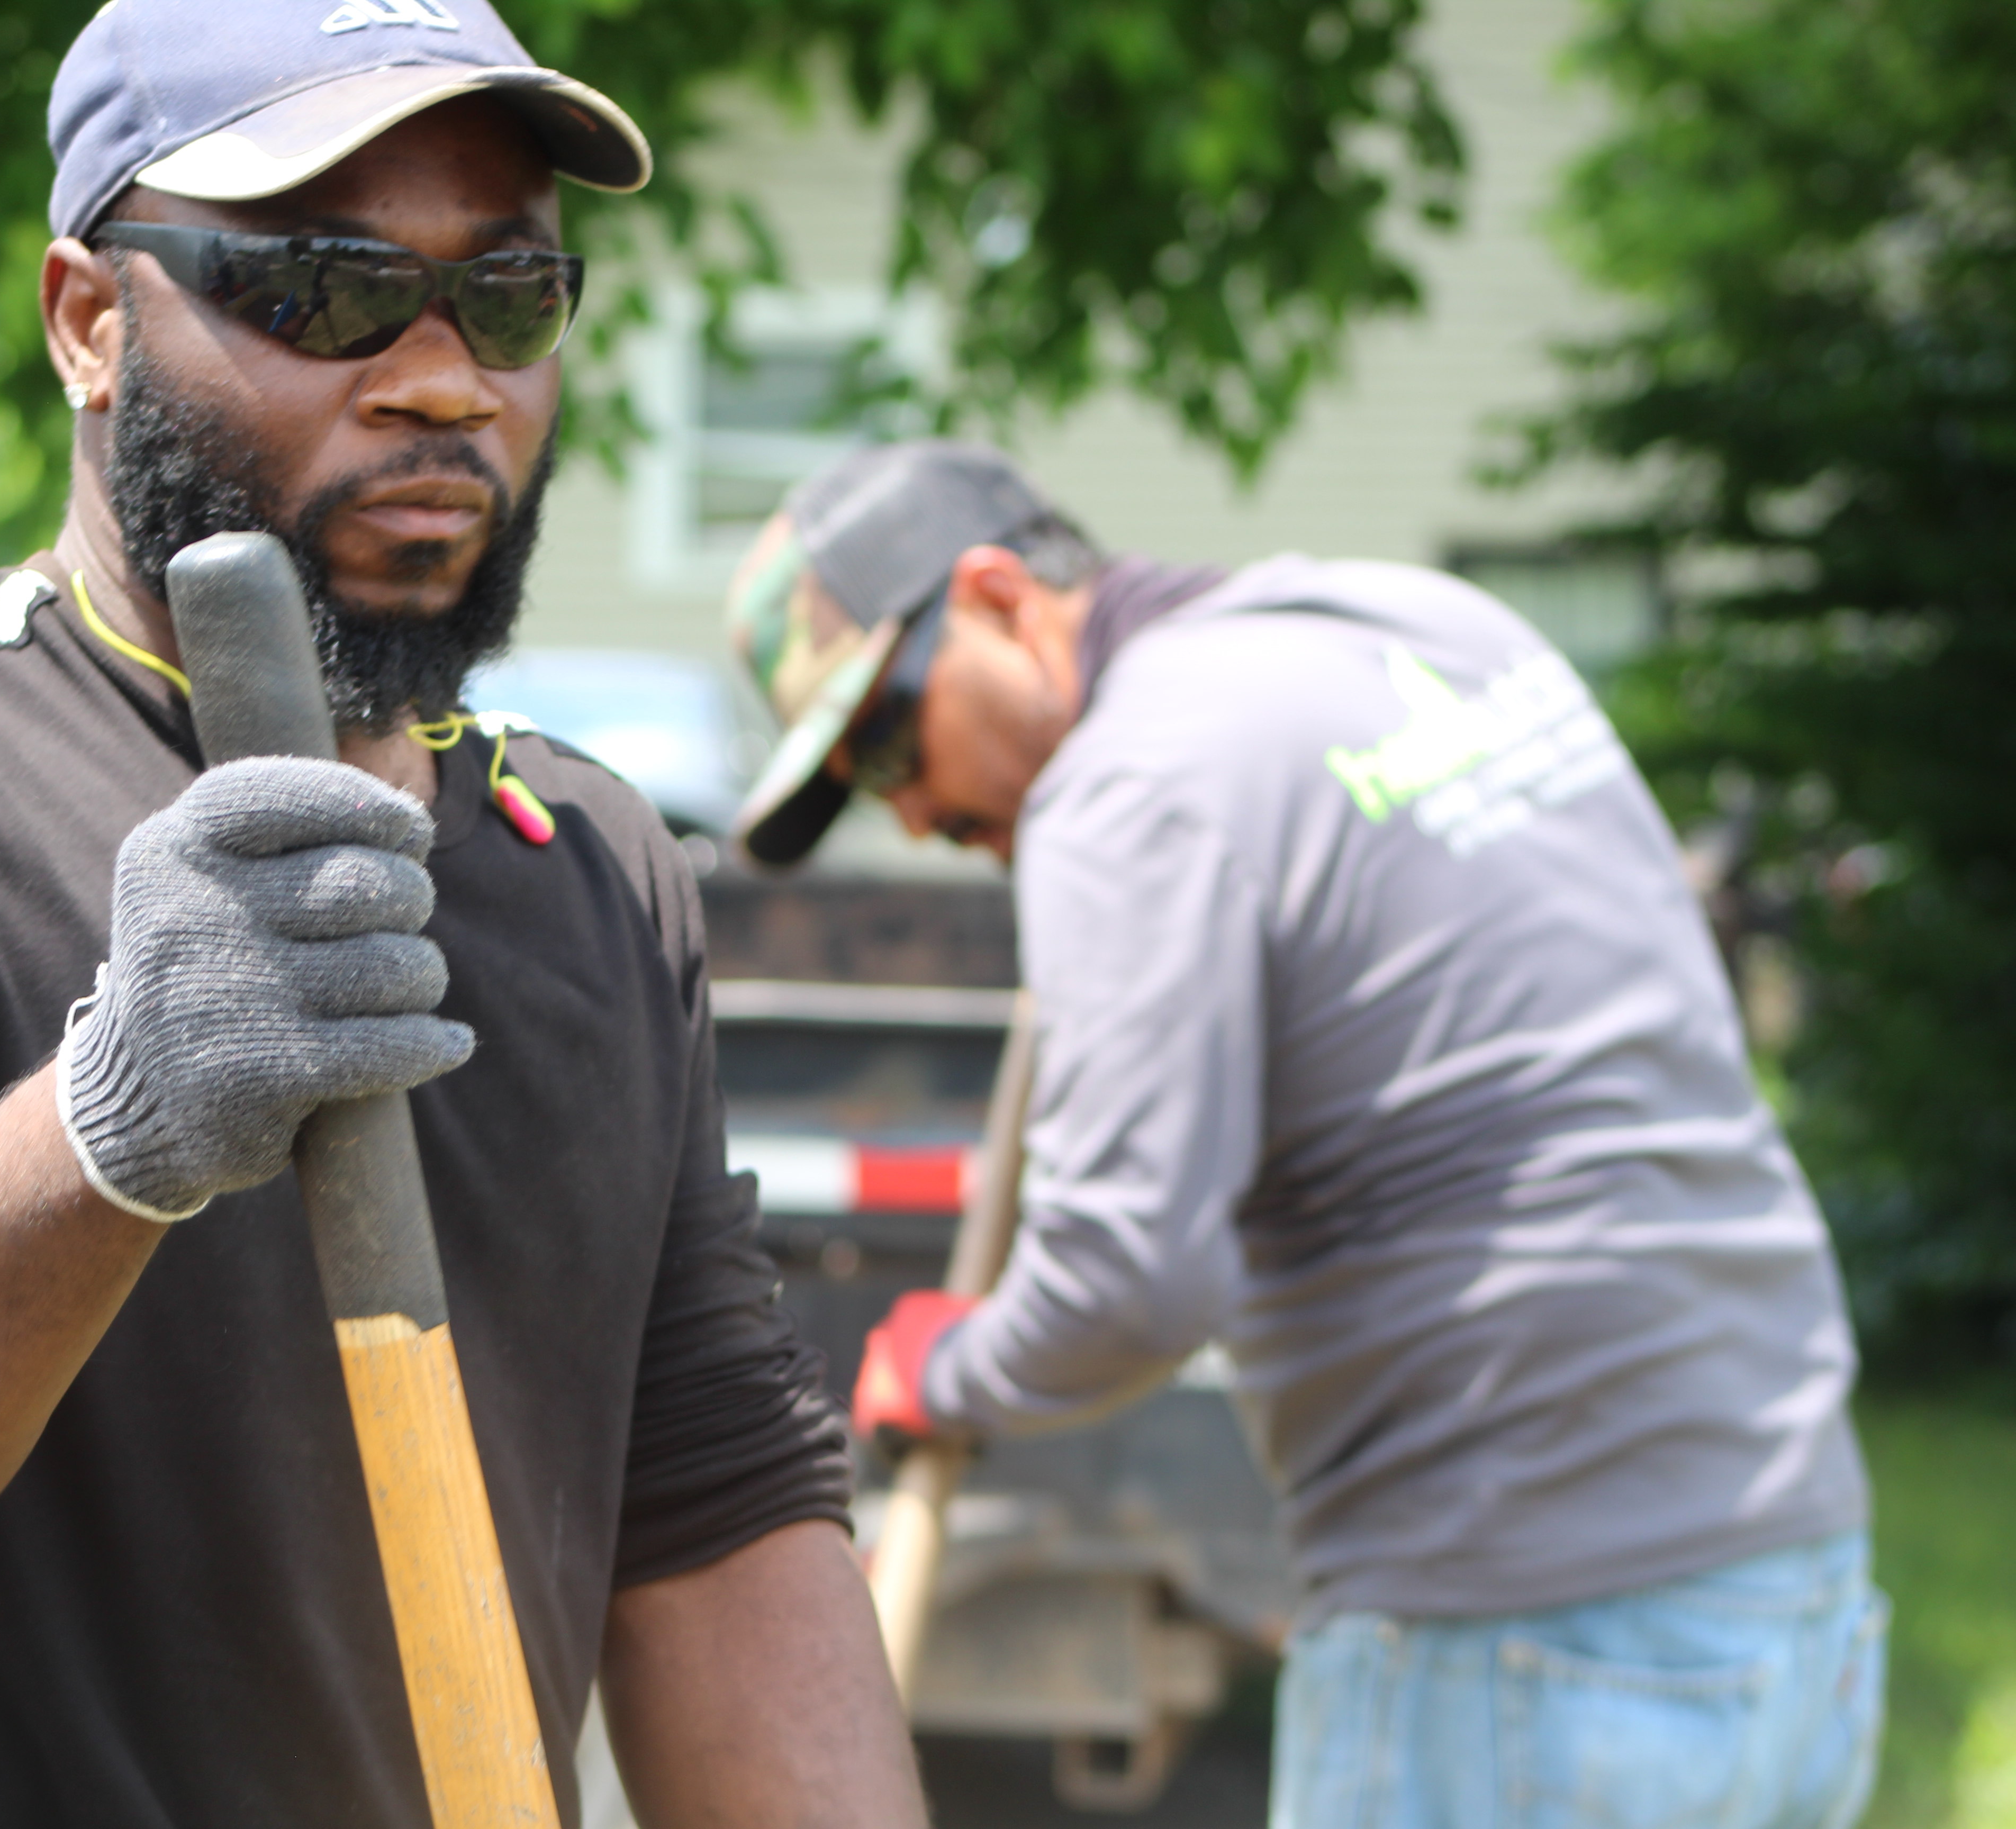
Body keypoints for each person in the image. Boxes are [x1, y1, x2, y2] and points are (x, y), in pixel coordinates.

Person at [0, 5, 926, 1823]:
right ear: (89, 322)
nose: (446, 378)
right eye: (328, 289)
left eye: (511, 297)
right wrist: (111, 1130)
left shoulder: (583, 857)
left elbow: (713, 1505)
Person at [727, 441, 1886, 1828]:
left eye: (893, 738)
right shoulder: (1425, 627)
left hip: (1516, 1647)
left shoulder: (1132, 785)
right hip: (1792, 1586)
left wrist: (951, 1367)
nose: (912, 813)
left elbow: (1128, 1280)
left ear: (997, 597)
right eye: (865, 784)